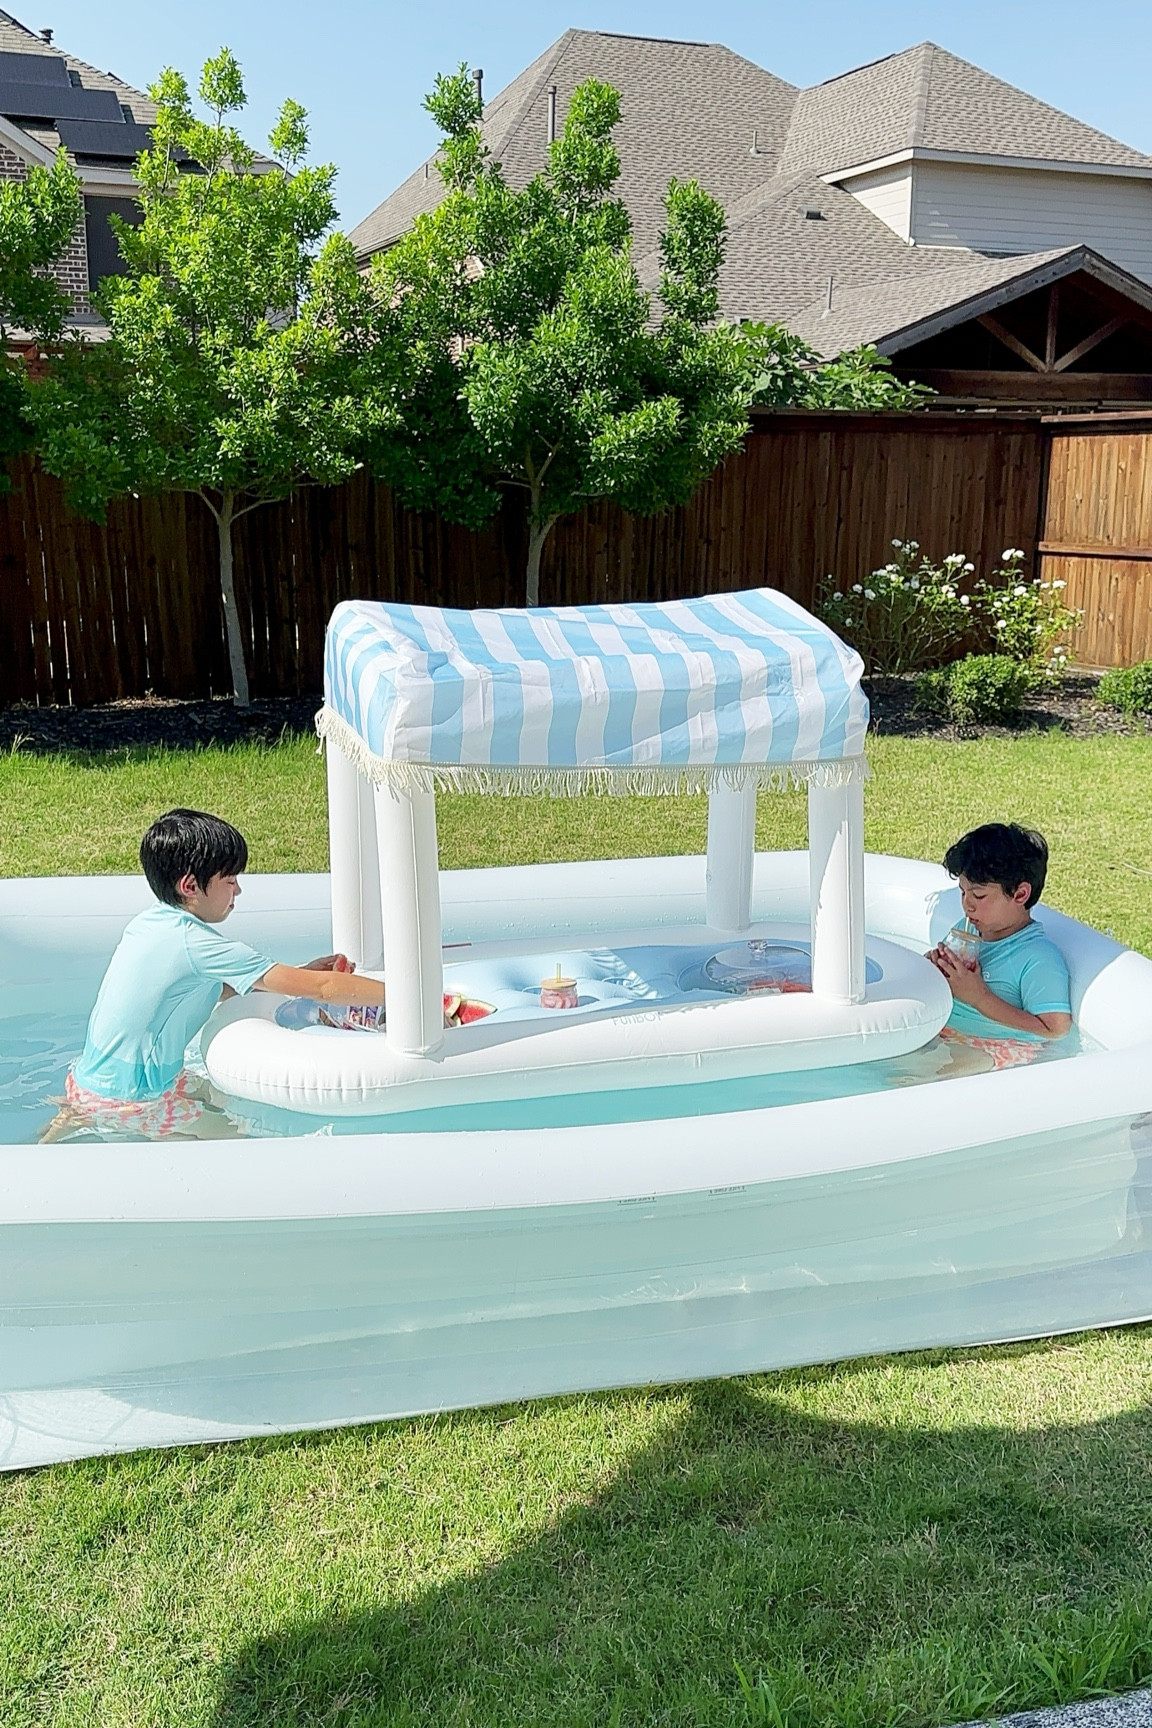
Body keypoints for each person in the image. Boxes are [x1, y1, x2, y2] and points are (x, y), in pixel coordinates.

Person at [49, 808, 386, 1140]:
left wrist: (299, 974)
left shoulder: (151, 923)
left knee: (211, 1096)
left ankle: (72, 1118)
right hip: (133, 1100)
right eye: (230, 880)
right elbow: (325, 989)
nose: (237, 891)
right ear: (190, 885)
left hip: (90, 1081)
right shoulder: (197, 944)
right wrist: (410, 994)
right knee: (237, 1142)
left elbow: (208, 989)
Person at [926, 822, 1072, 1074]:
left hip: (996, 1047)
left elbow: (1055, 1030)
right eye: (962, 893)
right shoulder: (968, 929)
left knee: (931, 1078)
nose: (967, 905)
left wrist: (979, 996)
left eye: (978, 896)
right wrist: (935, 970)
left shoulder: (1038, 957)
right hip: (948, 1032)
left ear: (1020, 894)